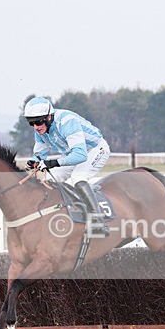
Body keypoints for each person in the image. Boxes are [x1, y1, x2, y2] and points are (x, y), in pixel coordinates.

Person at [23, 96, 111, 236]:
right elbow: (40, 153)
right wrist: (34, 162)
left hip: (94, 150)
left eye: (38, 122)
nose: (36, 127)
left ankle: (97, 220)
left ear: (49, 117)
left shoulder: (67, 122)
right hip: (73, 153)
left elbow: (81, 155)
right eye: (31, 123)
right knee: (49, 179)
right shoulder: (40, 130)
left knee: (77, 178)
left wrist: (53, 163)